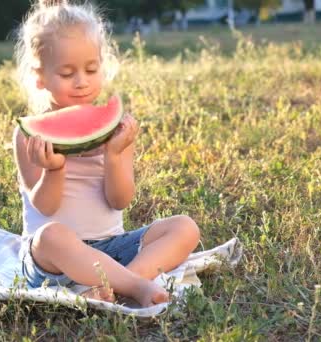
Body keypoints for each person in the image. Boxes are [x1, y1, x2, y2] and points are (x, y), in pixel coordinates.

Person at [12, 0, 200, 307]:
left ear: (104, 65)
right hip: (51, 263)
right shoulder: (28, 135)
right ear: (40, 76)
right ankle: (135, 285)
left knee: (184, 227)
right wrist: (54, 170)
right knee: (51, 236)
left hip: (111, 247)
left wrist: (114, 156)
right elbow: (44, 206)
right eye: (67, 73)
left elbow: (120, 200)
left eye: (91, 69)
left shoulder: (115, 129)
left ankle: (120, 282)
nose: (82, 81)